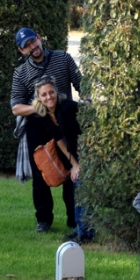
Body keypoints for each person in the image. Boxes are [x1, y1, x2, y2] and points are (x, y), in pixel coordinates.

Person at [11, 27, 82, 232]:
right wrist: (40, 107)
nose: (32, 47)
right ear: (21, 50)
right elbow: (16, 107)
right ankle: (44, 219)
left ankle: (73, 218)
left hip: (65, 121)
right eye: (26, 46)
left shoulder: (63, 58)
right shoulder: (21, 73)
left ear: (39, 39)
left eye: (33, 41)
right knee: (41, 172)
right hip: (37, 125)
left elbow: (80, 84)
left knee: (71, 169)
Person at [29, 76, 93, 242]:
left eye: (51, 92)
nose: (48, 97)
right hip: (76, 153)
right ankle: (80, 229)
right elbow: (59, 140)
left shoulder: (66, 108)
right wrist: (74, 164)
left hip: (89, 149)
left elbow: (83, 130)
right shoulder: (44, 113)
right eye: (44, 94)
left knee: (80, 189)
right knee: (76, 188)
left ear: (57, 92)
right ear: (39, 97)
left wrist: (82, 162)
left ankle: (86, 234)